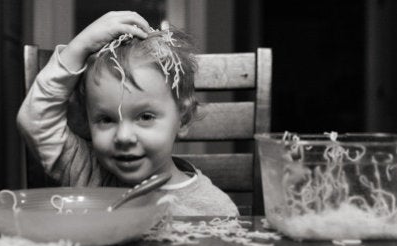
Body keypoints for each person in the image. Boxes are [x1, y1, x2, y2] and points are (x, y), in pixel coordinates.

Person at [17, 11, 238, 216]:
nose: (123, 137)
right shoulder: (87, 172)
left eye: (145, 117)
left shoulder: (213, 208)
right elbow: (36, 122)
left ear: (184, 118)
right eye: (106, 119)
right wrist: (80, 46)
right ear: (87, 121)